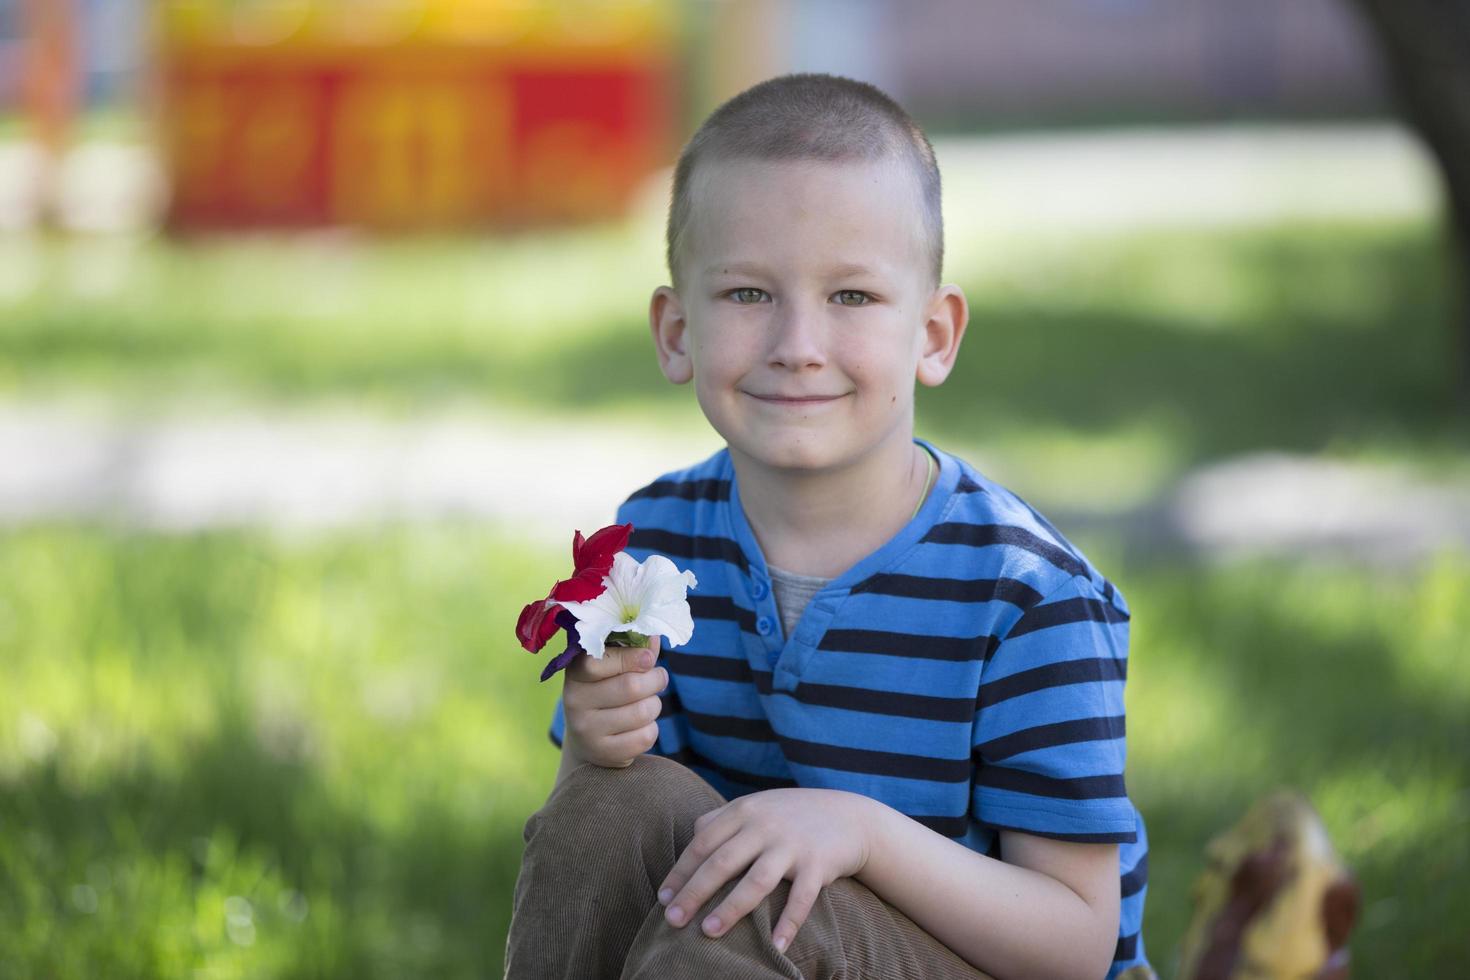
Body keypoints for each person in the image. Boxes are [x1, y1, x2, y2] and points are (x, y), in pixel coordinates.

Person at [505, 73, 1153, 980]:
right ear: (675, 330)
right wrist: (591, 742)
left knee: (759, 904)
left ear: (933, 334)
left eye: (851, 297)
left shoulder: (1025, 596)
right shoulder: (657, 541)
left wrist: (858, 834)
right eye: (747, 294)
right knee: (611, 809)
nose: (798, 343)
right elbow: (610, 861)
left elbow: (1077, 944)